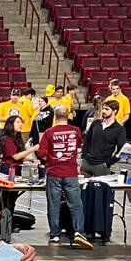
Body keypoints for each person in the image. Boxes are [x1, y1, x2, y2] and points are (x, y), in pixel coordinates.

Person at [40, 106, 92, 249]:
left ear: (54, 117)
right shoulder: (76, 131)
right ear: (68, 115)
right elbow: (79, 145)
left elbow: (41, 153)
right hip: (70, 173)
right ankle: (79, 233)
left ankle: (55, 236)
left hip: (54, 173)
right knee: (76, 205)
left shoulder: (49, 132)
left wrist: (52, 157)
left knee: (54, 205)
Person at [80, 99, 126, 177]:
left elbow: (121, 149)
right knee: (82, 187)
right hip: (87, 163)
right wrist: (84, 156)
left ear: (114, 111)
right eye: (103, 108)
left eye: (107, 109)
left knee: (101, 188)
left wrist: (109, 162)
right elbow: (87, 141)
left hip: (102, 165)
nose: (104, 111)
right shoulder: (95, 123)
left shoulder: (119, 130)